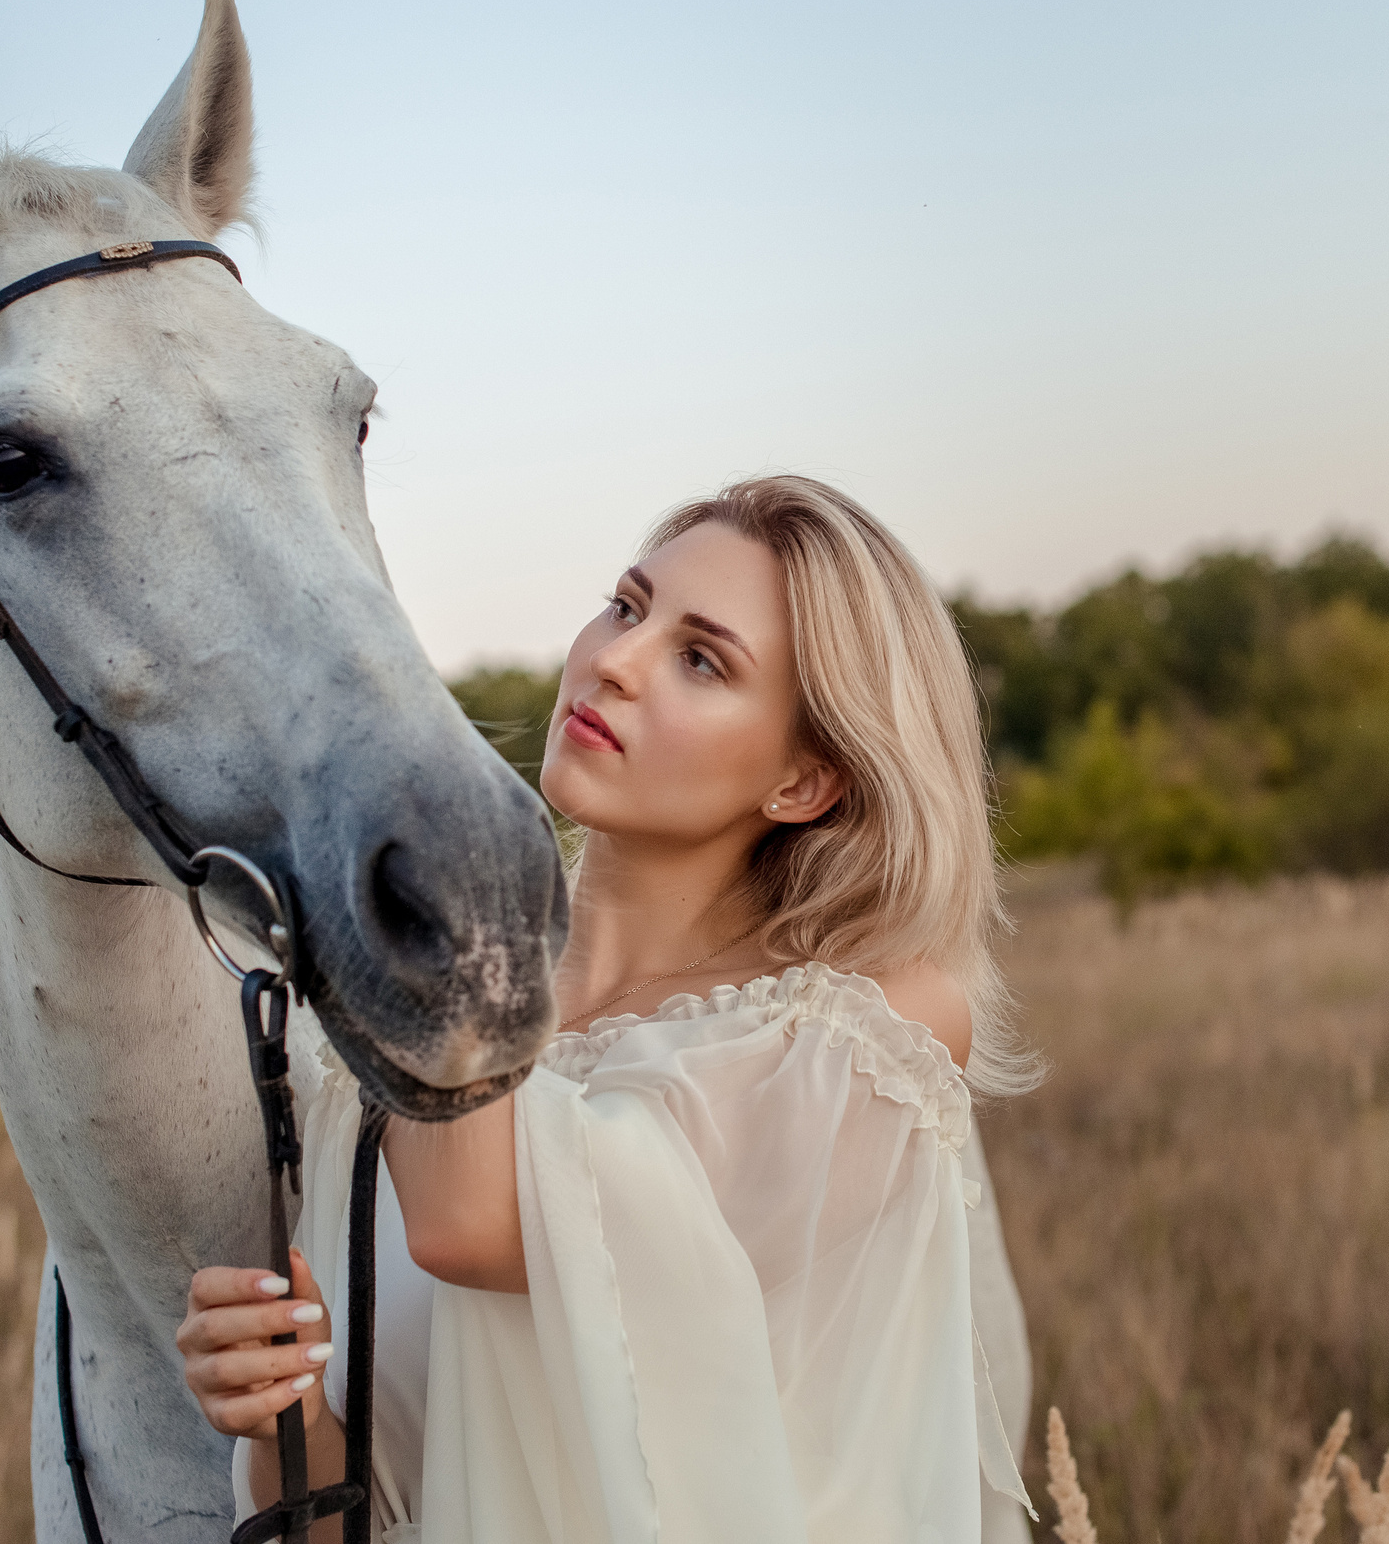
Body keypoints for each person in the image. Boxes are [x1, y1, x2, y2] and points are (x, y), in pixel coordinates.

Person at [176, 475, 1037, 1542]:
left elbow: (470, 1223)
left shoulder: (858, 1036)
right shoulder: (359, 1067)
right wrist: (283, 1410)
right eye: (627, 606)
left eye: (701, 659)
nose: (615, 660)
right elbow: (349, 1519)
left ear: (803, 782)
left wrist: (430, 837)